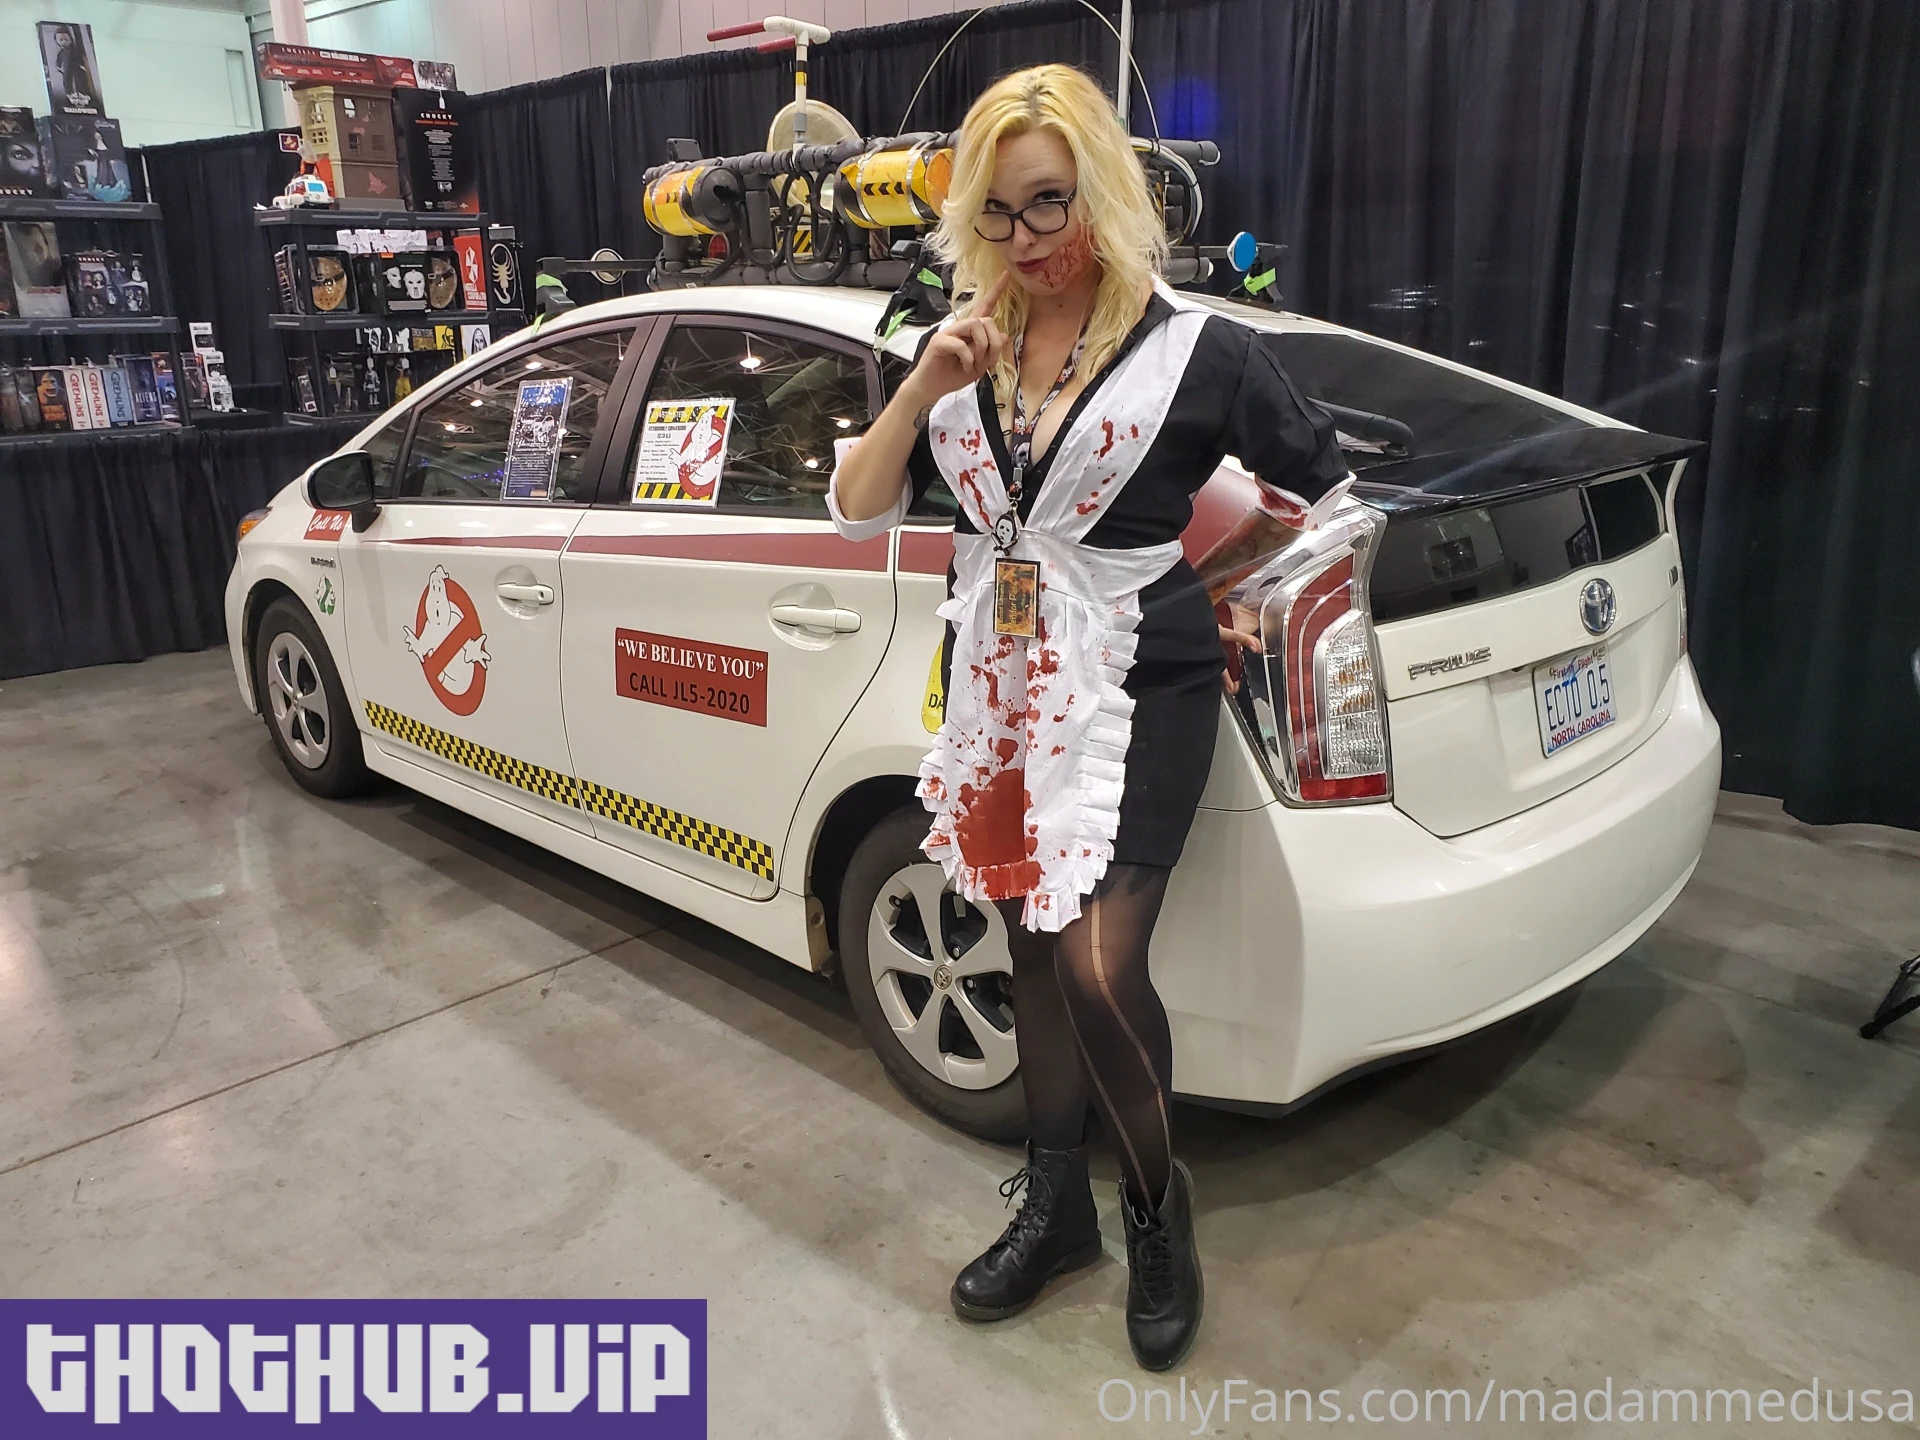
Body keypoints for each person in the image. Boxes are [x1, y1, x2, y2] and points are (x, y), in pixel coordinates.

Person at [830, 64, 1346, 1371]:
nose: (1028, 239)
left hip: (1138, 683)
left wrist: (1238, 592)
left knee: (1099, 967)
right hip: (1004, 689)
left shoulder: (1196, 351)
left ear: (1101, 191)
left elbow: (1331, 496)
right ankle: (1056, 1211)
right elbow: (857, 505)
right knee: (1029, 949)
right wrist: (920, 385)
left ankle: (1159, 1216)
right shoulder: (958, 349)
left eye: (1049, 202)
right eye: (998, 213)